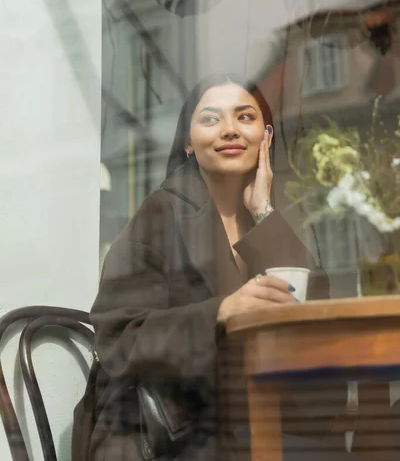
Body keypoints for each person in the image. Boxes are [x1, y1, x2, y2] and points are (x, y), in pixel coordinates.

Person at [73, 73, 358, 461]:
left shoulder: (265, 216)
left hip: (248, 423)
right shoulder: (161, 212)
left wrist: (263, 211)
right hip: (165, 435)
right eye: (210, 119)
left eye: (244, 117)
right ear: (189, 143)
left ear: (266, 137)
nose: (229, 130)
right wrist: (222, 311)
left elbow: (310, 317)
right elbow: (117, 337)